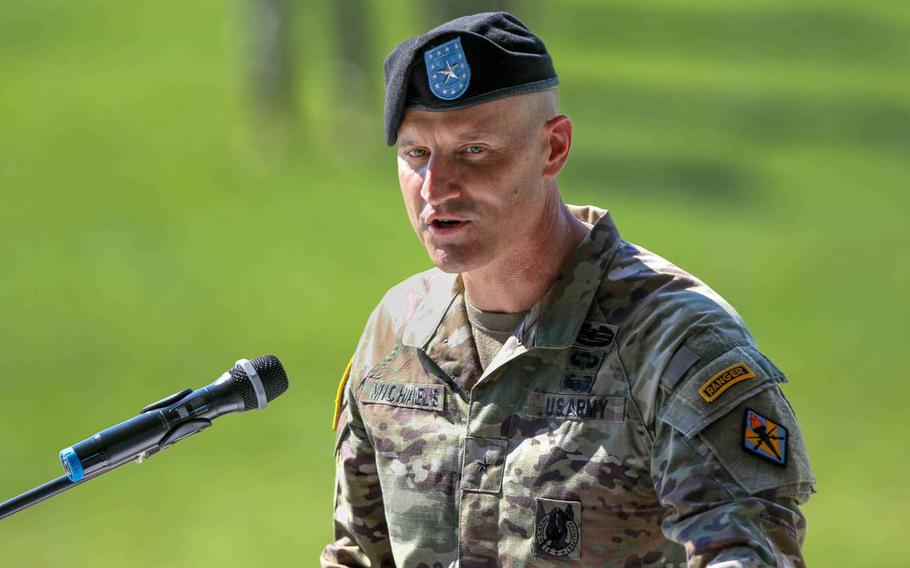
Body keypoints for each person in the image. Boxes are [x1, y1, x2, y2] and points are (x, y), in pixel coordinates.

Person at [323, 12, 815, 568]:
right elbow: (357, 554)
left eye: (474, 151)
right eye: (417, 154)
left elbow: (748, 554)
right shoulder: (397, 333)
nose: (436, 187)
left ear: (553, 149)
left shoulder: (673, 341)